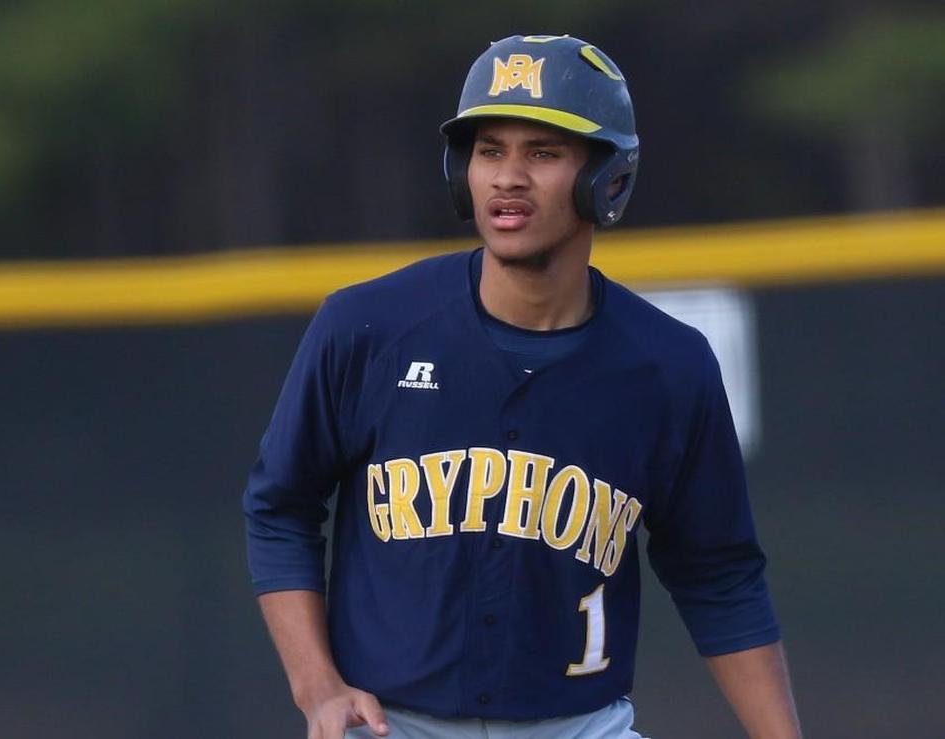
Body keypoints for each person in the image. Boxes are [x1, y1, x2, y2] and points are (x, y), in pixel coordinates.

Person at [243, 34, 802, 739]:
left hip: (581, 725)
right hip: (389, 723)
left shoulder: (669, 367)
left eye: (542, 153)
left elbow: (718, 574)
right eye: (488, 150)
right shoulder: (368, 326)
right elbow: (280, 507)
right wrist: (317, 687)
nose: (508, 177)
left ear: (607, 178)